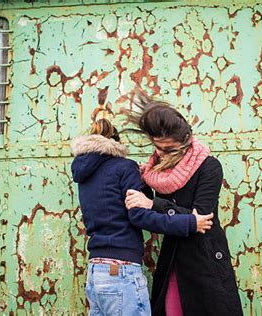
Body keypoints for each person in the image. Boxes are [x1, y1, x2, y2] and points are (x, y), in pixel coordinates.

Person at [70, 118, 214, 316]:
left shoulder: (84, 175)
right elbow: (139, 216)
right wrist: (189, 223)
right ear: (117, 143)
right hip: (121, 272)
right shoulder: (124, 167)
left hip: (96, 272)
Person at [124, 89, 243, 316]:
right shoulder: (155, 172)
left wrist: (153, 205)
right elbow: (182, 219)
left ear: (186, 141)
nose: (160, 153)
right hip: (173, 259)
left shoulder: (209, 167)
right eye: (156, 146)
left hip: (204, 258)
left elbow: (201, 219)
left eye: (167, 149)